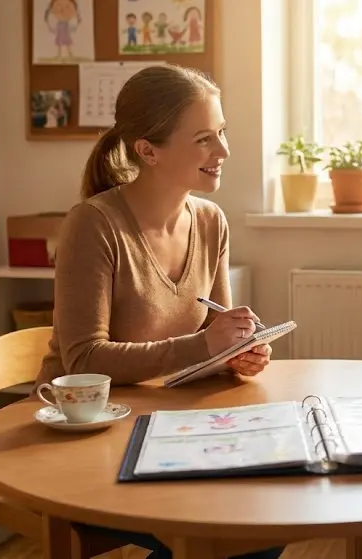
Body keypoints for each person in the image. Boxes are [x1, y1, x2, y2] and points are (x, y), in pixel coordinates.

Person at [36, 64, 284, 559]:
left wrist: (240, 351)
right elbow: (83, 360)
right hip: (86, 440)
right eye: (204, 139)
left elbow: (214, 330)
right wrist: (206, 344)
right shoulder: (93, 225)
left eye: (222, 133)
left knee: (262, 521)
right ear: (148, 151)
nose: (223, 152)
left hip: (165, 429)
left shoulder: (210, 221)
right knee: (235, 537)